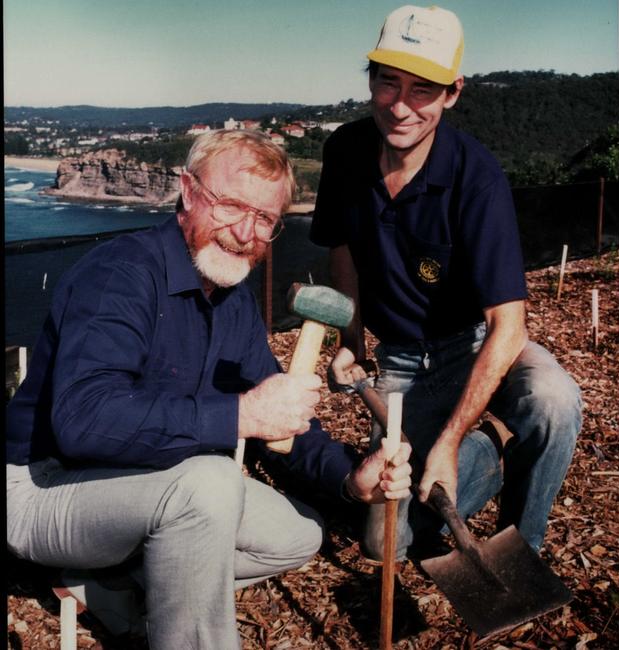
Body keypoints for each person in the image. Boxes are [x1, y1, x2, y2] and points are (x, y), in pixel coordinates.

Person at [6, 129, 412, 649]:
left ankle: (110, 586)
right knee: (210, 482)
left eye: (265, 219)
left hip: (148, 482)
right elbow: (83, 419)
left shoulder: (233, 299)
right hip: (44, 486)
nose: (245, 232)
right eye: (230, 205)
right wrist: (241, 415)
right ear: (189, 191)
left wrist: (352, 479)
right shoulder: (121, 274)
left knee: (298, 535)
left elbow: (277, 413)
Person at [310, 4, 582, 560]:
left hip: (476, 347)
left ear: (452, 93)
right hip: (403, 365)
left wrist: (450, 443)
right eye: (389, 83)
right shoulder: (345, 152)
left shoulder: (475, 177)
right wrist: (351, 342)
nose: (401, 107)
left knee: (555, 399)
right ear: (370, 80)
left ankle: (521, 547)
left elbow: (508, 327)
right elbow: (343, 253)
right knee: (388, 545)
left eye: (423, 90)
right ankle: (497, 447)